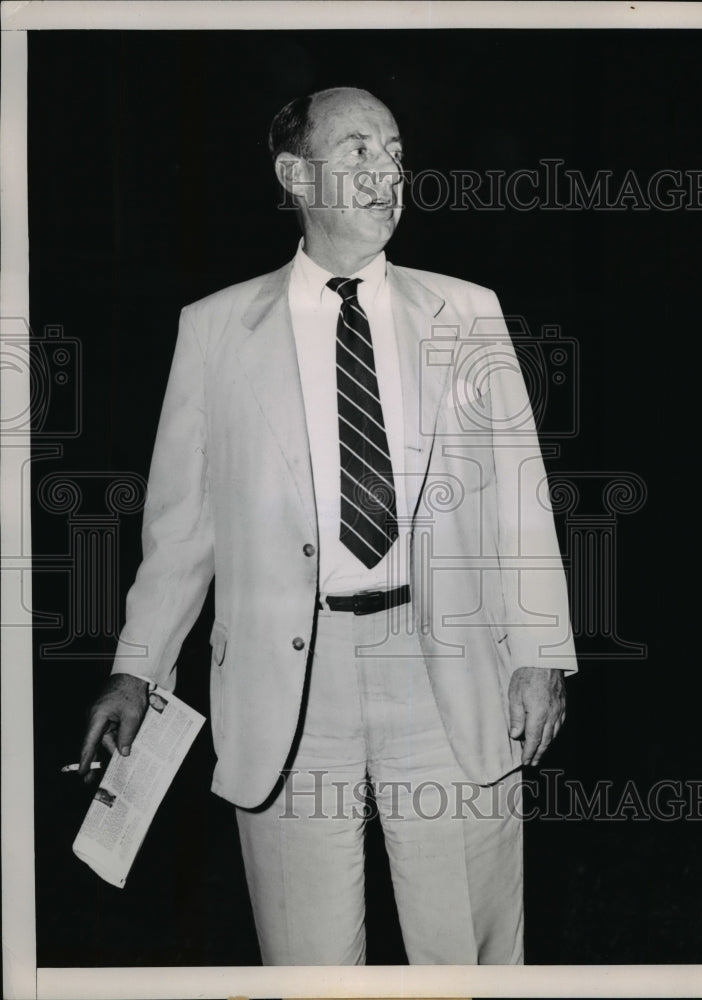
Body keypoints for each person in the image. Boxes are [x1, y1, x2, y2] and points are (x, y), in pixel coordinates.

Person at [79, 86, 577, 965]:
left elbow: (517, 497)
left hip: (446, 668)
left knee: (465, 944)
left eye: (392, 151)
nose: (386, 171)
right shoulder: (215, 331)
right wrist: (135, 671)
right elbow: (181, 532)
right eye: (356, 151)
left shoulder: (468, 312)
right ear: (293, 173)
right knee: (308, 958)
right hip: (285, 682)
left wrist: (539, 651)